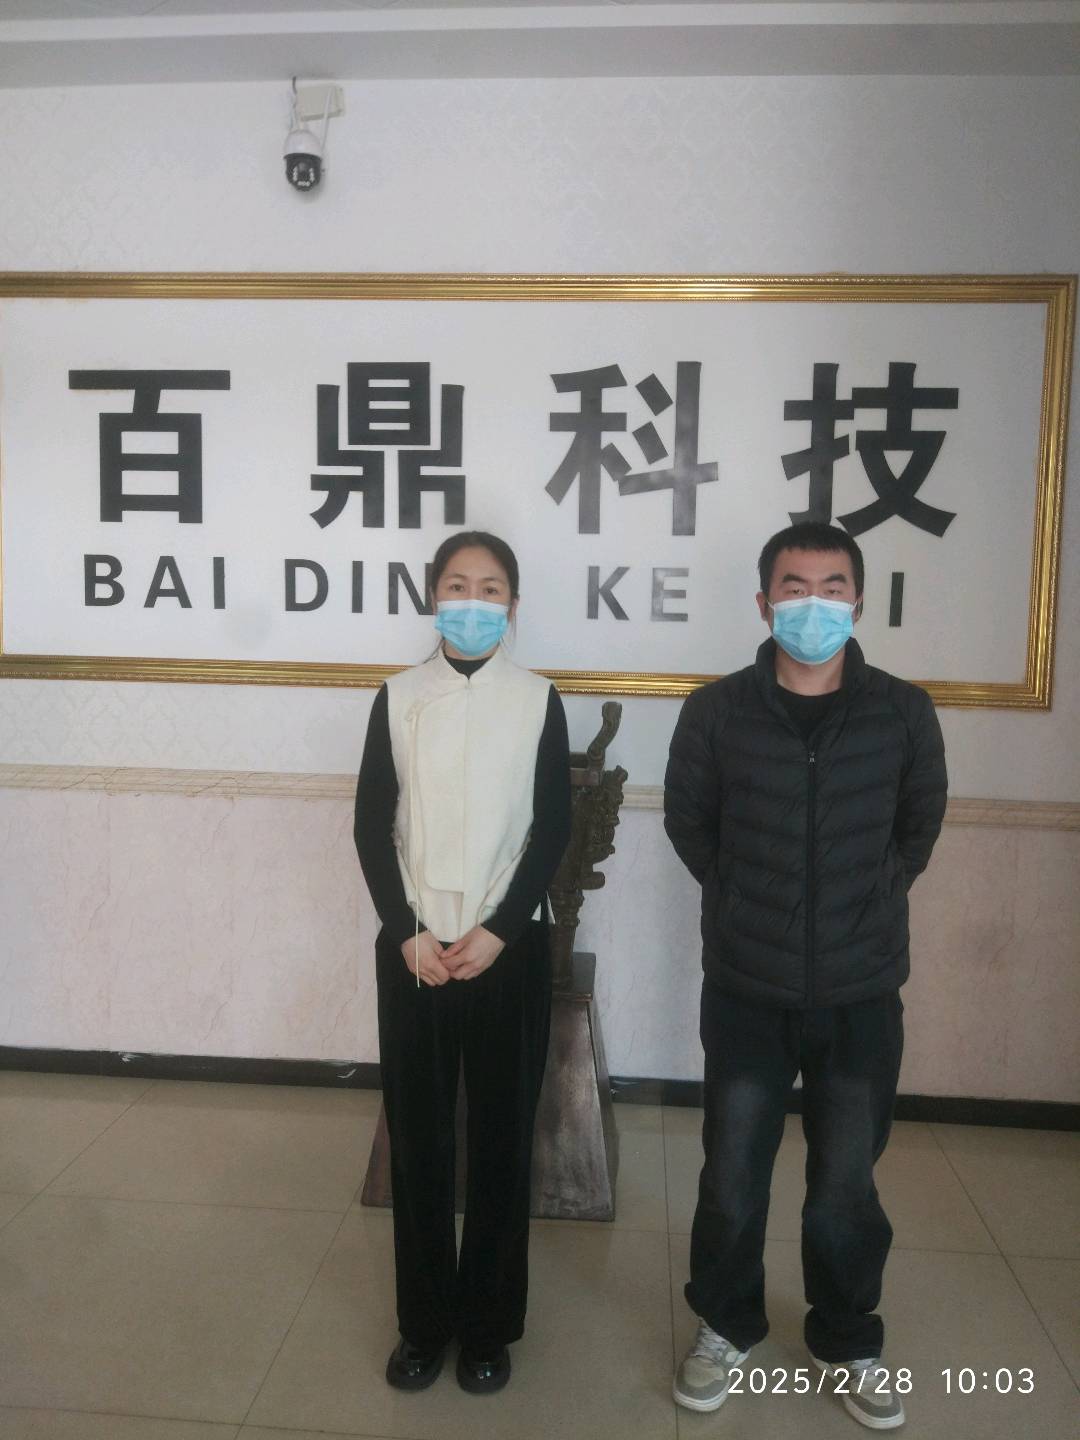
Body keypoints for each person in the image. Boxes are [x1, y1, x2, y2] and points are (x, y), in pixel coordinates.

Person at [663, 521, 947, 1431]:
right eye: (794, 587)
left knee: (847, 1185)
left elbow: (918, 826)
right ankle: (726, 1325)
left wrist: (869, 899)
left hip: (862, 990)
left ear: (858, 602)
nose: (813, 604)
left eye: (832, 587)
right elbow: (690, 825)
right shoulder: (716, 712)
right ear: (764, 603)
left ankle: (847, 1336)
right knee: (732, 1175)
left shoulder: (903, 712)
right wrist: (744, 897)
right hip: (748, 984)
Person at [354, 529, 571, 1396]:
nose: (472, 601)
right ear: (432, 597)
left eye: (490, 588)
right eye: (456, 584)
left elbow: (551, 825)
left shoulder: (539, 699)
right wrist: (405, 929)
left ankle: (487, 1327)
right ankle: (422, 1326)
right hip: (414, 949)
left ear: (513, 605)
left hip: (505, 950)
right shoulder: (397, 697)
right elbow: (372, 822)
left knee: (501, 1143)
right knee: (419, 1143)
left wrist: (501, 929)